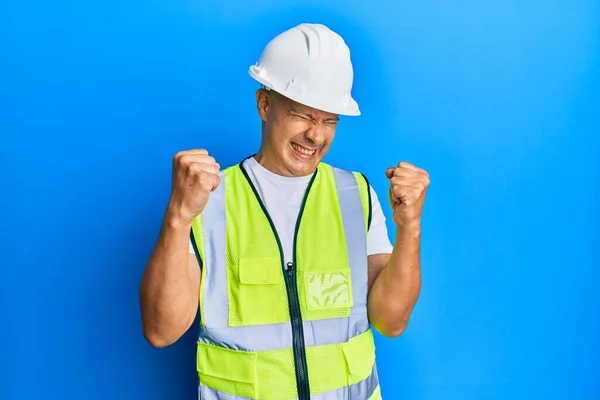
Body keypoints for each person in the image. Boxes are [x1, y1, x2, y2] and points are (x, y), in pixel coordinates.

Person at [139, 23, 429, 400]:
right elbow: (162, 330)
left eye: (329, 120)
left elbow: (390, 322)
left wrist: (410, 229)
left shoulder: (355, 195)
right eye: (303, 115)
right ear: (264, 105)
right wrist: (178, 214)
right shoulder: (208, 200)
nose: (316, 135)